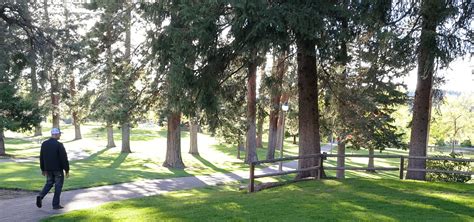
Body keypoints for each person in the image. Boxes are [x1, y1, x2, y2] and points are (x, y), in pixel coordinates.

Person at [36, 128, 69, 210]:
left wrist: (43, 169)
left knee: (49, 183)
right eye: (59, 134)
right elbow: (63, 158)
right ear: (56, 134)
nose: (60, 135)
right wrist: (67, 170)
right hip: (58, 170)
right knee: (58, 186)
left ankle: (40, 196)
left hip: (48, 169)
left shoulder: (44, 144)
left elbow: (41, 157)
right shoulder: (59, 145)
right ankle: (55, 205)